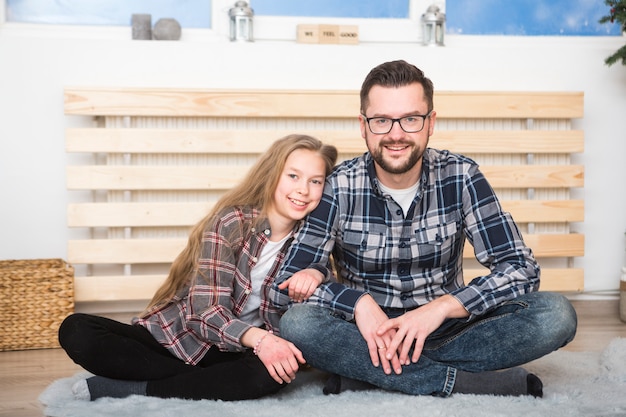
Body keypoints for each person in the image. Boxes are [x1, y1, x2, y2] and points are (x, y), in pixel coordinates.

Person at [271, 60, 578, 398]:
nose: (396, 133)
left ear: (430, 123)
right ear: (363, 126)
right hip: (365, 334)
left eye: (411, 119)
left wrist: (442, 307)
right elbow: (283, 286)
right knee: (299, 324)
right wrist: (358, 304)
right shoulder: (338, 185)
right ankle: (462, 381)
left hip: (451, 329)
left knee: (556, 315)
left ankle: (369, 374)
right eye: (382, 121)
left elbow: (520, 269)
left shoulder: (461, 176)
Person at [58, 134, 338, 401]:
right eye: (293, 176)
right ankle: (199, 381)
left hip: (239, 352)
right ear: (272, 175)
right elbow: (205, 311)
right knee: (77, 330)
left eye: (315, 181)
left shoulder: (314, 241)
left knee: (271, 376)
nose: (303, 189)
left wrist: (319, 273)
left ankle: (140, 388)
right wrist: (262, 340)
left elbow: (321, 310)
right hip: (181, 338)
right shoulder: (232, 222)